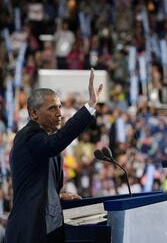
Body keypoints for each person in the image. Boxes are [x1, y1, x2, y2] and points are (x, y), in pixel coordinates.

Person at [5, 69, 103, 243]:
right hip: (30, 230)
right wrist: (90, 106)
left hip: (47, 229)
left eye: (59, 106)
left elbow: (37, 184)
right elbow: (56, 143)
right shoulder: (27, 137)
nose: (59, 113)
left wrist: (55, 197)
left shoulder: (45, 141)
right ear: (34, 113)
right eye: (52, 109)